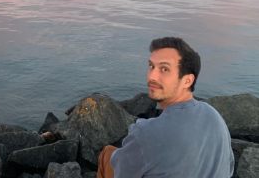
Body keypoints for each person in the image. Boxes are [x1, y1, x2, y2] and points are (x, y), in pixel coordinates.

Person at [97, 37, 234, 178]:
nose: (152, 76)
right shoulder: (215, 116)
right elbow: (229, 168)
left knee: (108, 153)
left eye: (164, 69)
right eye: (151, 66)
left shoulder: (144, 134)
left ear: (187, 80)